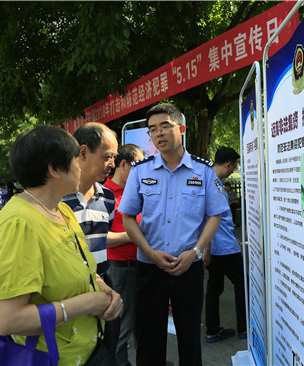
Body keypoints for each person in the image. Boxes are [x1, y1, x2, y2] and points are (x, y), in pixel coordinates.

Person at [0, 125, 122, 365]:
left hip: (88, 351)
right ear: (54, 169)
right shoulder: (18, 224)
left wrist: (103, 288)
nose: (80, 164)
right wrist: (86, 303)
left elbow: (82, 267)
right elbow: (7, 320)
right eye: (75, 158)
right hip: (51, 358)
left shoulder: (63, 210)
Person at [119, 103, 229, 366]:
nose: (159, 134)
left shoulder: (203, 171)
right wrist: (149, 252)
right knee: (149, 338)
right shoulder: (140, 171)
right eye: (153, 130)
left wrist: (196, 251)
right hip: (150, 267)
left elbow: (215, 215)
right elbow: (127, 217)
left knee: (190, 337)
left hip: (187, 267)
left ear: (181, 128)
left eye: (165, 126)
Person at [62, 122, 121, 358]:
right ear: (83, 152)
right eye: (108, 157)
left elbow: (102, 238)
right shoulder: (56, 198)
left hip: (105, 281)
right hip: (70, 289)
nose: (113, 164)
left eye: (115, 157)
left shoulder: (107, 198)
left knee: (108, 350)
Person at [103, 143, 144, 366]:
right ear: (123, 164)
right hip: (120, 269)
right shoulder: (105, 195)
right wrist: (134, 235)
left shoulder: (137, 191)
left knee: (141, 324)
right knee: (122, 326)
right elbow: (101, 238)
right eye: (137, 166)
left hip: (142, 265)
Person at [204, 147, 247, 343]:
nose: (234, 170)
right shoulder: (214, 184)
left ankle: (212, 330)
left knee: (214, 288)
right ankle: (244, 328)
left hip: (215, 248)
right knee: (241, 284)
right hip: (223, 249)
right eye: (234, 166)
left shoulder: (207, 180)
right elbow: (211, 218)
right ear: (228, 164)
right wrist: (207, 249)